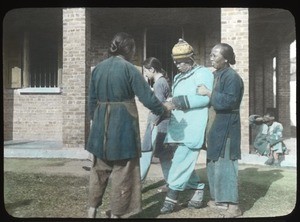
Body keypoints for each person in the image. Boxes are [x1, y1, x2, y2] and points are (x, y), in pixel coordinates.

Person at [86, 32, 172, 218]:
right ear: (129, 49)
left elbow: (91, 102)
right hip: (123, 127)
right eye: (133, 49)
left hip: (100, 130)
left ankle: (91, 211)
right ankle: (118, 214)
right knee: (124, 174)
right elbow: (147, 98)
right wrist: (164, 110)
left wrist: (98, 124)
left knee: (98, 172)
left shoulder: (98, 69)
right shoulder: (129, 69)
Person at [160, 39, 214, 214]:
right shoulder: (178, 77)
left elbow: (205, 98)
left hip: (194, 125)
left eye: (181, 61)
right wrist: (170, 103)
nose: (177, 65)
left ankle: (171, 199)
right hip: (179, 126)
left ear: (191, 58)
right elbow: (177, 98)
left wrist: (176, 101)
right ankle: (198, 189)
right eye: (175, 61)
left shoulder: (203, 73)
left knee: (181, 162)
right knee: (182, 162)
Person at [197, 43, 244, 217]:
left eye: (215, 55)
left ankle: (234, 206)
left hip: (227, 128)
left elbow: (229, 102)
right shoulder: (216, 74)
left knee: (226, 165)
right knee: (214, 163)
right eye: (210, 54)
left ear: (226, 58)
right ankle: (220, 200)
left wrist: (209, 93)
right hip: (215, 127)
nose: (211, 58)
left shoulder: (232, 77)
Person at [139, 57, 173, 186]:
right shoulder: (163, 81)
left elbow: (158, 108)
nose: (145, 74)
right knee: (164, 156)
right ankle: (171, 184)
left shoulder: (159, 83)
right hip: (163, 124)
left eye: (146, 71)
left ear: (152, 69)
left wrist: (153, 123)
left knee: (146, 152)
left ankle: (138, 183)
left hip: (158, 125)